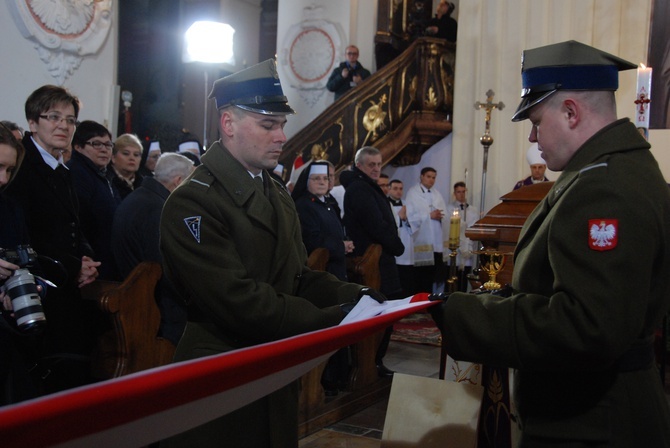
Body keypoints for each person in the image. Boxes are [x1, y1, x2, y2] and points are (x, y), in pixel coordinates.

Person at [431, 40, 670, 446]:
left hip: (594, 423)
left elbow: (587, 328)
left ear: (572, 112)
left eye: (537, 121)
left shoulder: (604, 188)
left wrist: (468, 318)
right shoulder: (616, 170)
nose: (533, 135)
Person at [159, 59, 382, 448]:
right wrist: (332, 321)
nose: (281, 136)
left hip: (270, 366)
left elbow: (298, 276)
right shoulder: (194, 201)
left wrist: (356, 298)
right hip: (221, 375)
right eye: (267, 125)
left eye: (281, 125)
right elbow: (238, 301)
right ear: (228, 124)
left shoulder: (273, 190)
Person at [5, 85, 103, 394]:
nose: (63, 126)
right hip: (38, 288)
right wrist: (75, 266)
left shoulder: (62, 167)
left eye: (71, 120)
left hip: (66, 284)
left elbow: (74, 224)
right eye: (54, 117)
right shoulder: (22, 167)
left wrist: (86, 258)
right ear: (33, 122)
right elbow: (24, 234)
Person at [111, 152, 194, 344]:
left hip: (141, 303)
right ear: (178, 181)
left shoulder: (141, 197)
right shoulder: (157, 209)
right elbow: (163, 267)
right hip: (155, 313)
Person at [292, 160, 355, 395]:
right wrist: (340, 245)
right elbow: (313, 240)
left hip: (337, 269)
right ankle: (325, 381)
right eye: (317, 179)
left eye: (325, 179)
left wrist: (344, 243)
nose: (322, 182)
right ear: (307, 182)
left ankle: (339, 377)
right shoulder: (304, 206)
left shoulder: (328, 203)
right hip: (320, 273)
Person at [341, 146, 404, 376]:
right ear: (360, 166)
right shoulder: (359, 189)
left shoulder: (366, 186)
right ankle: (370, 363)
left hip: (380, 259)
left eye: (379, 164)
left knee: (385, 312)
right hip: (372, 261)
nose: (377, 169)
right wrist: (397, 246)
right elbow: (376, 225)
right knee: (377, 312)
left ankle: (376, 361)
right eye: (371, 165)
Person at [68, 120, 122, 280]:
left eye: (108, 145)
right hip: (92, 261)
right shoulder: (78, 173)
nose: (104, 150)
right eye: (96, 144)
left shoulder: (103, 175)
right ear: (78, 146)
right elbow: (81, 220)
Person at [405, 167, 449, 293]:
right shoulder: (413, 193)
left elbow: (445, 214)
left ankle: (432, 303)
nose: (431, 180)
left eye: (433, 177)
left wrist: (441, 217)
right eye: (428, 176)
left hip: (437, 243)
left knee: (435, 277)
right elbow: (410, 217)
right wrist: (429, 216)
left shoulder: (437, 194)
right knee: (422, 277)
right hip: (422, 242)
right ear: (422, 176)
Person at [445, 181, 479, 291]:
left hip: (467, 247)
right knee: (451, 276)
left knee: (464, 278)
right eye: (458, 192)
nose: (461, 194)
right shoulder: (449, 209)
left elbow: (474, 227)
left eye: (463, 191)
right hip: (454, 246)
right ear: (454, 193)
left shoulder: (473, 210)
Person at [388, 179, 416, 297]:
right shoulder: (385, 204)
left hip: (407, 244)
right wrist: (399, 217)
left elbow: (415, 224)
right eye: (395, 188)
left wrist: (405, 219)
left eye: (400, 188)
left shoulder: (407, 204)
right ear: (389, 189)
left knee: (407, 279)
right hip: (393, 244)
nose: (399, 191)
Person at [110, 133, 144, 199]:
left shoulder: (144, 184)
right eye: (126, 153)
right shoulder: (106, 181)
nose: (132, 158)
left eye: (136, 155)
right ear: (113, 157)